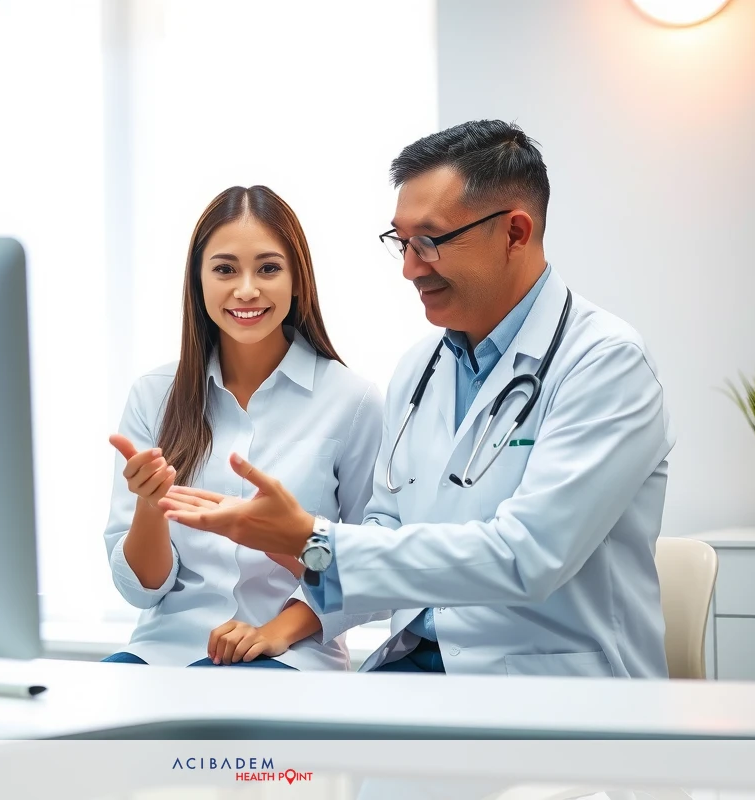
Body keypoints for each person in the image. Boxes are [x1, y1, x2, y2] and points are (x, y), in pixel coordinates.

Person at [160, 121, 675, 677]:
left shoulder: (605, 364)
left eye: (429, 241)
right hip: (411, 669)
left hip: (548, 684)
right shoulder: (419, 369)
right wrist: (291, 541)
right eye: (401, 243)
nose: (409, 268)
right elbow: (385, 526)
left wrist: (312, 539)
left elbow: (527, 557)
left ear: (515, 233)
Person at [102, 185, 385, 670]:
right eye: (225, 269)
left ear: (298, 281)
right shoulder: (154, 395)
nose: (247, 289)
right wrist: (151, 504)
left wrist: (274, 631)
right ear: (198, 282)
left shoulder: (352, 402)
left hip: (289, 655)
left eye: (269, 269)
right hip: (161, 652)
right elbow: (142, 590)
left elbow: (373, 569)